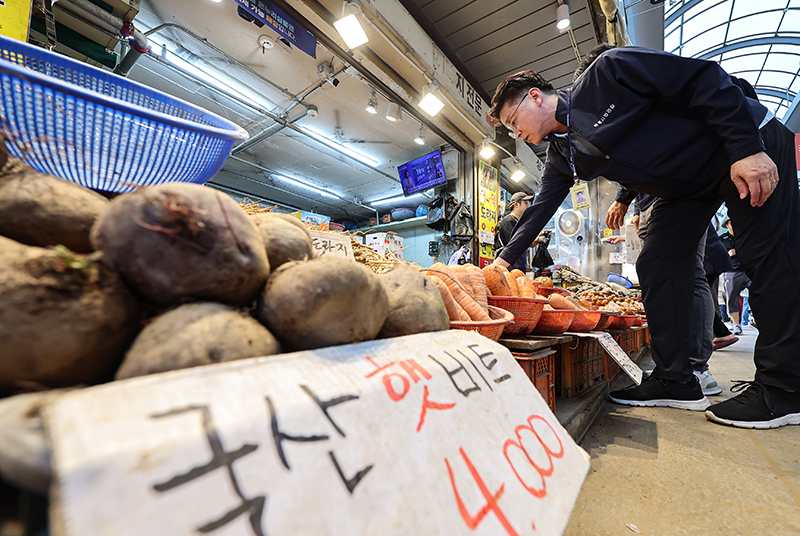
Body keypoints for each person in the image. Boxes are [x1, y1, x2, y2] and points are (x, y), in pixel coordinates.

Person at [488, 45, 800, 429]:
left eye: (513, 120)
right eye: (509, 130)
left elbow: (703, 78)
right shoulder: (562, 154)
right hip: (688, 189)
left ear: (535, 96)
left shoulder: (607, 73)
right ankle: (677, 380)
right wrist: (503, 261)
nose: (515, 133)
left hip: (739, 145)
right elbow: (540, 210)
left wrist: (747, 147)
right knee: (658, 263)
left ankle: (784, 390)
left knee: (767, 256)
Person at [606, 194, 725, 396]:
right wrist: (637, 209)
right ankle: (672, 370)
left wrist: (624, 198)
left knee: (692, 274)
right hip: (649, 202)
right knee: (656, 275)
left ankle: (696, 369)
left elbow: (642, 162)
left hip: (675, 195)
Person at [494, 191, 544, 272]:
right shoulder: (508, 221)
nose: (528, 206)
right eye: (526, 203)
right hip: (509, 268)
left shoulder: (519, 223)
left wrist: (539, 238)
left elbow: (529, 244)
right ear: (516, 204)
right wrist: (536, 239)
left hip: (519, 267)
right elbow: (516, 244)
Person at [719, 217, 751, 336]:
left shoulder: (745, 236)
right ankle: (737, 325)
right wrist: (729, 253)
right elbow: (718, 255)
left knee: (760, 291)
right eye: (732, 222)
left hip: (748, 270)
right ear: (727, 224)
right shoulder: (723, 239)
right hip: (731, 271)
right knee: (732, 298)